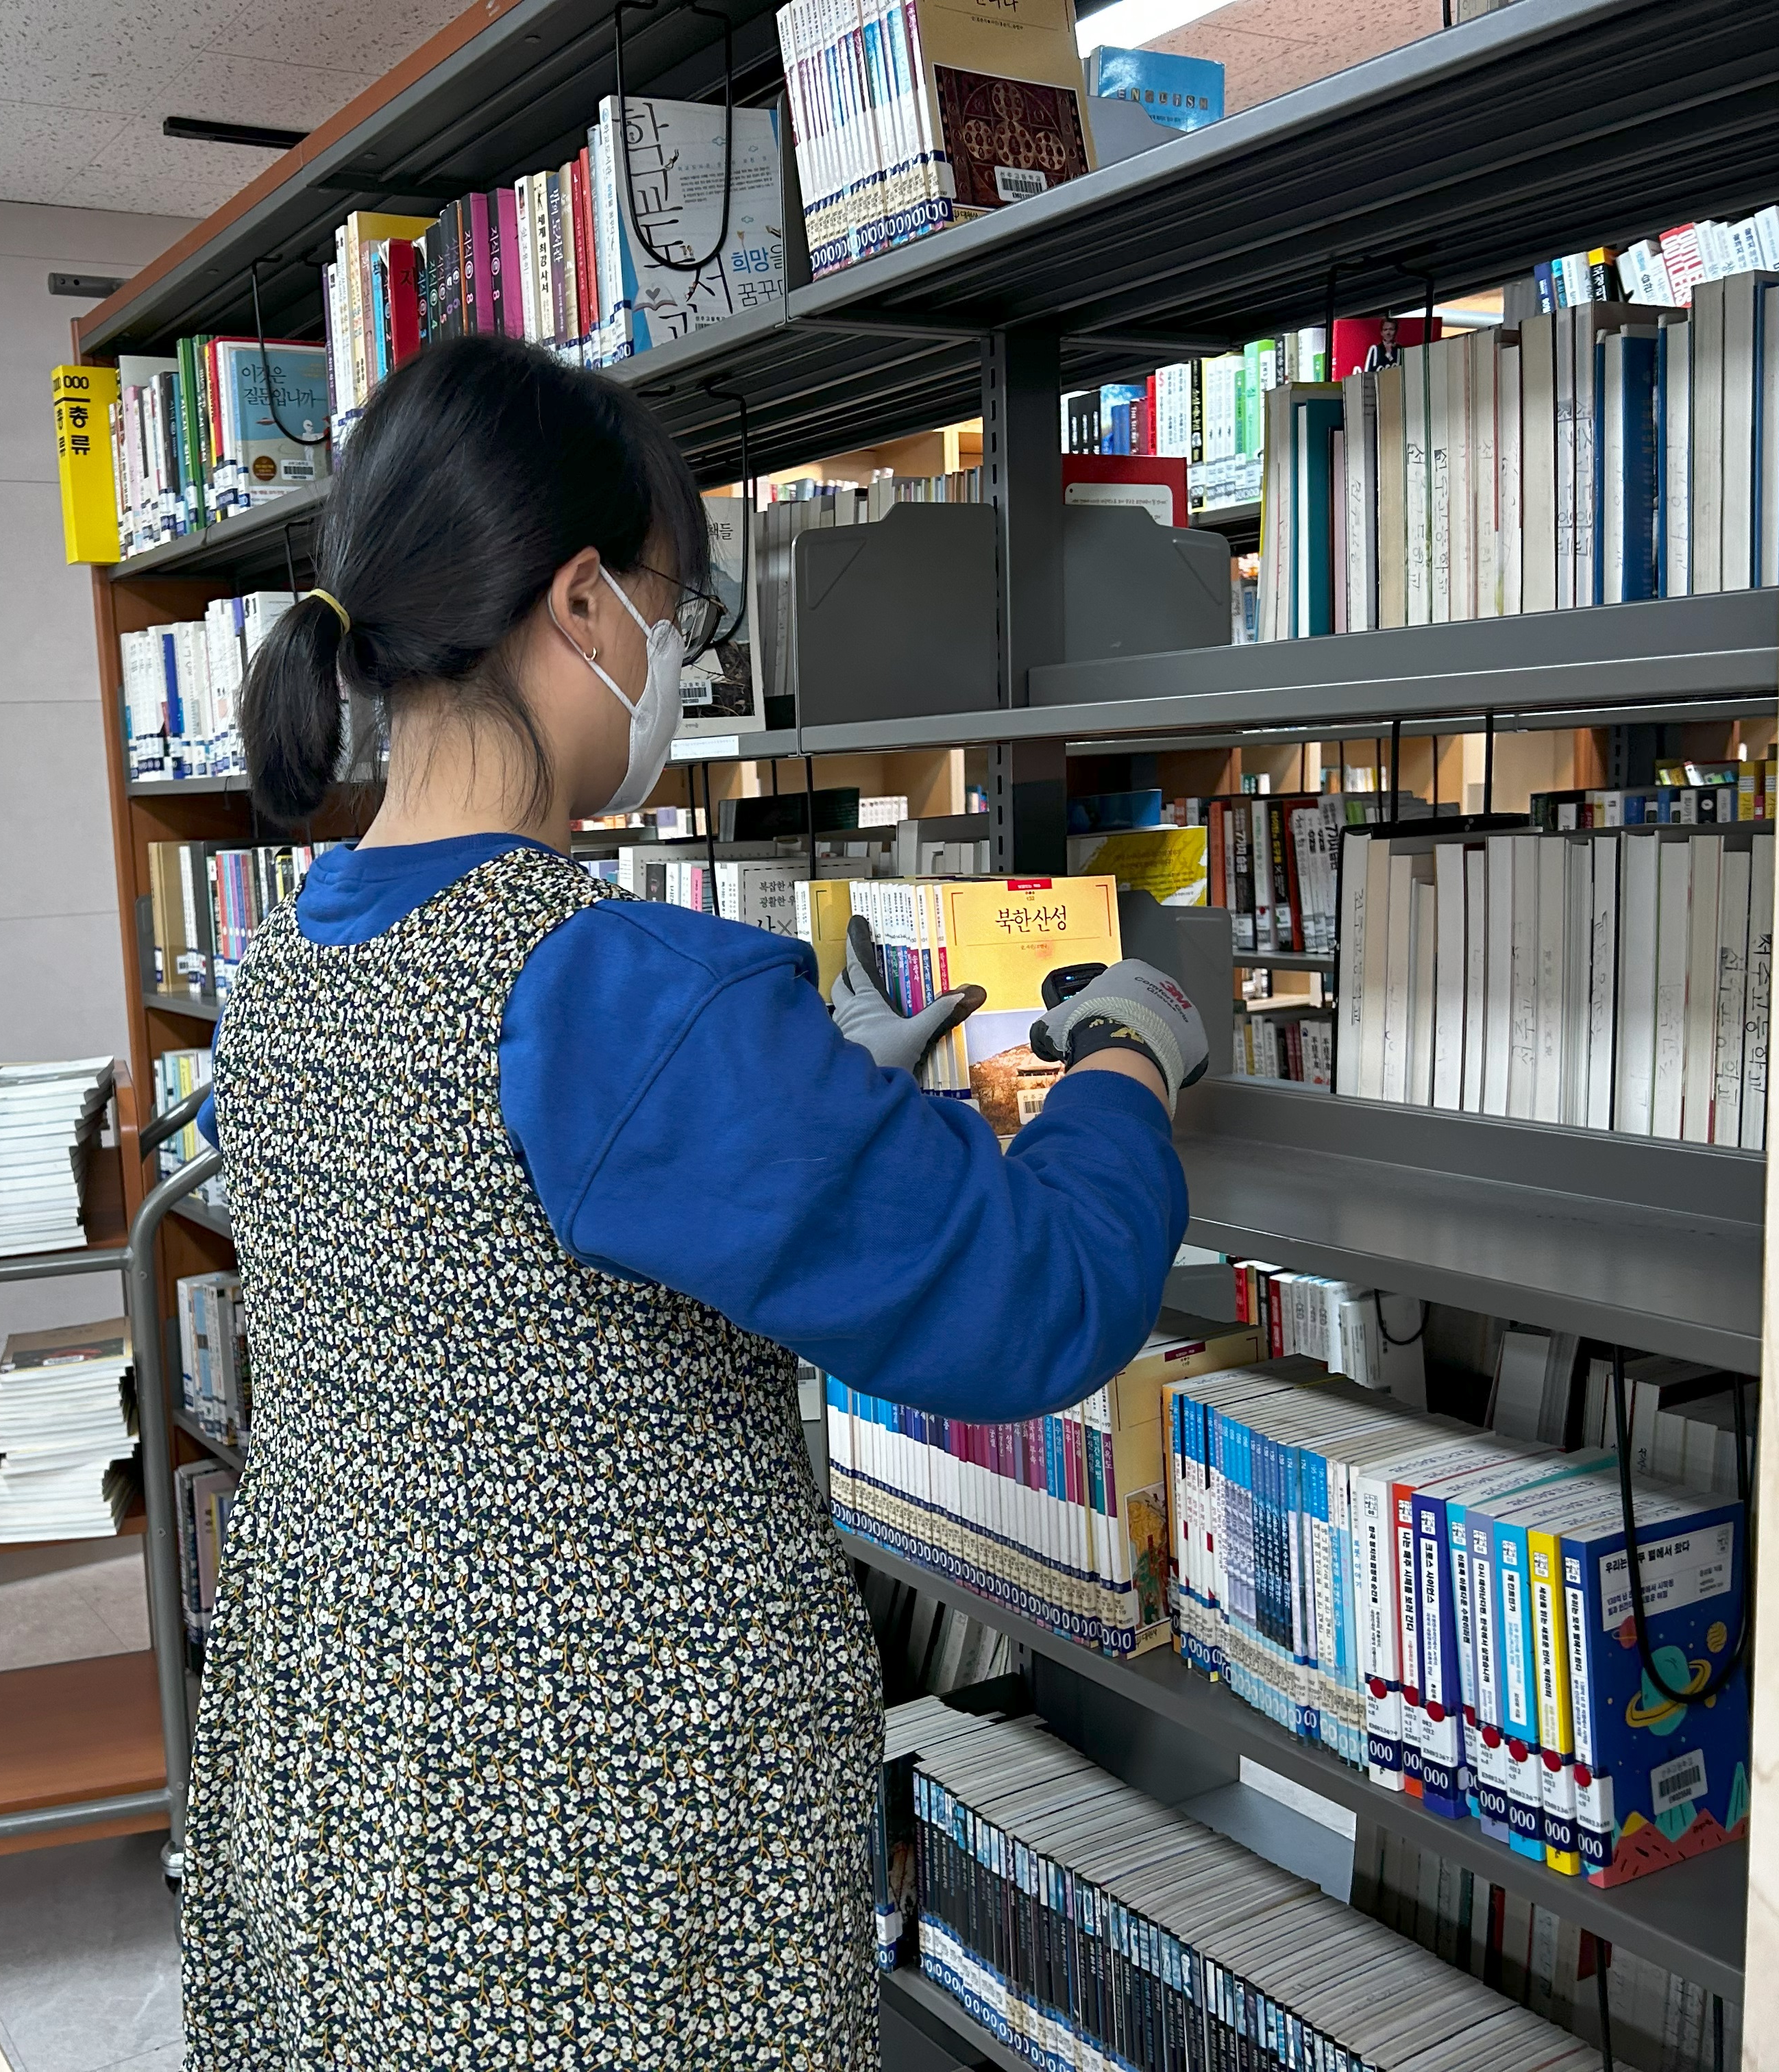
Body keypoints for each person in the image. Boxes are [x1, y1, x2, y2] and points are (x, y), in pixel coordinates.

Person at [177, 333, 1204, 2071]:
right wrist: (1130, 1056)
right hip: (602, 1850)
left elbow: (478, 1240)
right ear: (582, 603)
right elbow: (1036, 1295)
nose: (678, 661)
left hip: (340, 1775)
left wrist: (802, 1105)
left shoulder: (286, 965)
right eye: (682, 612)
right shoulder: (628, 992)